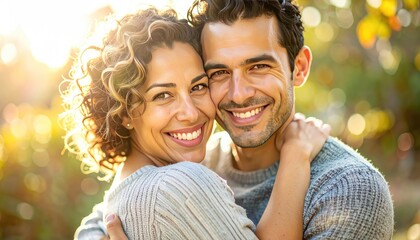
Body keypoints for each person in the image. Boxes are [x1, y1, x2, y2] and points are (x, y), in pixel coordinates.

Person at [75, 0, 394, 239]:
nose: (239, 94)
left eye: (258, 67)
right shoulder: (195, 161)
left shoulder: (348, 189)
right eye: (218, 73)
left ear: (299, 67)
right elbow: (103, 219)